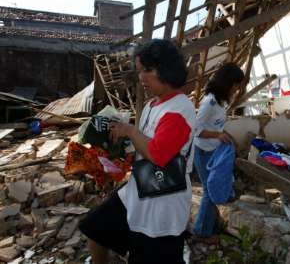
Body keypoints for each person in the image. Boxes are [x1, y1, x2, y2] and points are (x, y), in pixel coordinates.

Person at [79, 39, 195, 264]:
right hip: (141, 190)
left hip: (163, 202)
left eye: (148, 70)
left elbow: (159, 154)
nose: (141, 77)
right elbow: (144, 147)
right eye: (140, 71)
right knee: (94, 227)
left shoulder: (180, 109)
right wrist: (116, 156)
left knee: (152, 255)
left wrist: (130, 131)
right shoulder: (153, 105)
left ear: (167, 70)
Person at [192, 63, 244, 239]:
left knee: (213, 188)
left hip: (214, 150)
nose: (237, 88)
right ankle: (202, 231)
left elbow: (217, 125)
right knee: (209, 191)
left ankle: (209, 226)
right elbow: (195, 129)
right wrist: (217, 135)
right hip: (203, 151)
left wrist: (223, 135)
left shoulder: (221, 101)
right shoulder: (210, 102)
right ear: (228, 82)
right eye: (236, 84)